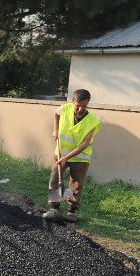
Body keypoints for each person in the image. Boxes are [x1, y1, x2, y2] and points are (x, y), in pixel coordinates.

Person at [42, 89, 101, 223]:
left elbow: (85, 144)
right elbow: (55, 113)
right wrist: (55, 129)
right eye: (78, 105)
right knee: (55, 179)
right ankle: (54, 208)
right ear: (73, 102)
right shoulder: (65, 108)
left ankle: (71, 211)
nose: (80, 109)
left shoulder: (92, 122)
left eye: (84, 106)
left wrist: (66, 158)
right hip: (61, 152)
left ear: (88, 104)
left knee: (76, 184)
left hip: (80, 157)